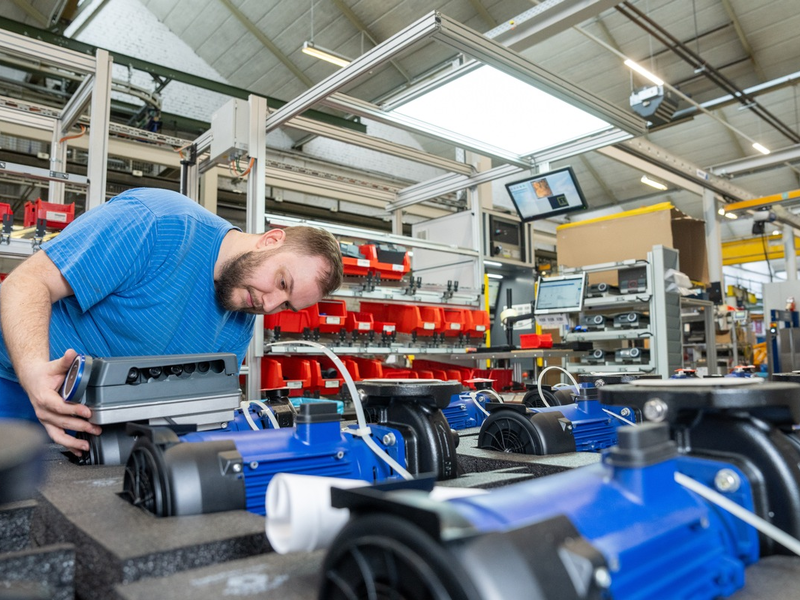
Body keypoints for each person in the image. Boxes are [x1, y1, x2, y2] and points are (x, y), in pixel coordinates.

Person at [0, 187, 343, 455]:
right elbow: (27, 282)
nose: (270, 304)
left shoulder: (242, 315)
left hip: (94, 424)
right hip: (14, 387)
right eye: (282, 283)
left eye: (287, 305)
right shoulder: (158, 223)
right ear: (271, 239)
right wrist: (33, 374)